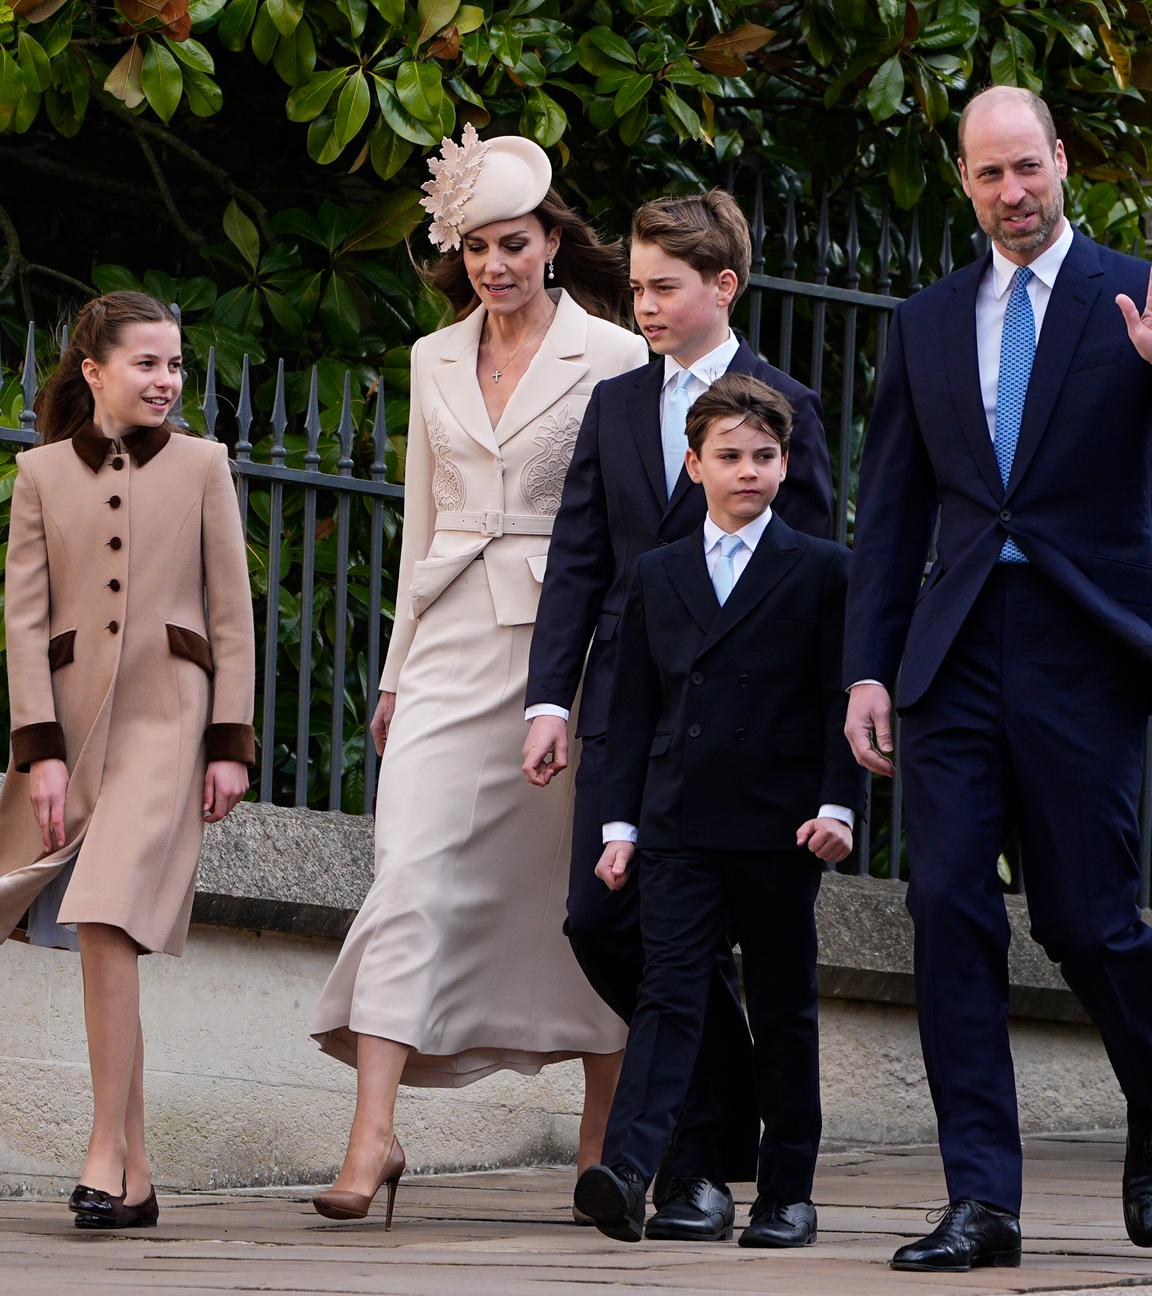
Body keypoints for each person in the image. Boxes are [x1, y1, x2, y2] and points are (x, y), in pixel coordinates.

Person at [309, 126, 645, 1227]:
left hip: (576, 651)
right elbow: (420, 525)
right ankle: (374, 1132)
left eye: (514, 243)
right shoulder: (431, 358)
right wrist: (397, 673)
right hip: (452, 641)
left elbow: (633, 522)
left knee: (587, 889)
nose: (494, 265)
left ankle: (605, 1129)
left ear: (554, 241)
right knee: (405, 868)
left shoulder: (616, 356)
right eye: (476, 248)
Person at [843, 85, 1152, 1272]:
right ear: (963, 181)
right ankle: (985, 1200)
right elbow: (891, 513)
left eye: (1029, 169)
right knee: (947, 909)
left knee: (1090, 921)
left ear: (1063, 162)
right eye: (989, 176)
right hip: (956, 643)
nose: (1013, 195)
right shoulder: (925, 321)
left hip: (1089, 644)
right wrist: (868, 669)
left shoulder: (1134, 289)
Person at [523, 190, 835, 1238]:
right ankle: (713, 1128)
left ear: (722, 287)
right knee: (598, 924)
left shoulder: (784, 409)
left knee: (688, 961)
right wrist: (547, 699)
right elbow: (577, 561)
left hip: (747, 753)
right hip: (626, 712)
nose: (643, 306)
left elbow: (811, 598)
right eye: (639, 287)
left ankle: (699, 1171)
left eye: (663, 288)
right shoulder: (615, 403)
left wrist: (819, 775)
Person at [572, 373, 864, 1245]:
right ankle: (646, 1173)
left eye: (764, 457)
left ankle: (787, 1191)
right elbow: (629, 712)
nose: (748, 471)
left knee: (781, 1005)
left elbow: (838, 701)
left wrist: (839, 807)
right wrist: (618, 827)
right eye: (729, 456)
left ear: (786, 464)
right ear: (693, 464)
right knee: (668, 997)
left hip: (780, 827)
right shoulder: (657, 574)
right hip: (678, 822)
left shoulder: (823, 570)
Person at [0, 291, 255, 1229]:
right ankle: (136, 1173)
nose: (166, 380)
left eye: (177, 364)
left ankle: (103, 1151)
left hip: (170, 720)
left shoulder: (202, 466)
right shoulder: (38, 476)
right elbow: (24, 625)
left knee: (106, 920)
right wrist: (41, 755)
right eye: (147, 363)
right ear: (94, 371)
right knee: (100, 939)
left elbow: (232, 611)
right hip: (74, 728)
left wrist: (230, 740)